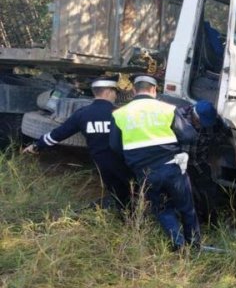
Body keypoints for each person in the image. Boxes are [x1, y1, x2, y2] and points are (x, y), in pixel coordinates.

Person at [110, 74, 200, 251]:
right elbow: (189, 135)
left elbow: (114, 146)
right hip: (172, 167)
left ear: (134, 91)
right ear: (154, 90)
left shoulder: (119, 114)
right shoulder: (167, 109)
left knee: (161, 208)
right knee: (186, 208)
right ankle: (195, 245)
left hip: (144, 172)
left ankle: (178, 244)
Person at [22, 75, 132, 209]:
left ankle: (123, 215)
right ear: (109, 92)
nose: (115, 96)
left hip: (101, 163)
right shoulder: (121, 113)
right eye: (115, 92)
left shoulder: (82, 114)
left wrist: (36, 146)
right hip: (125, 161)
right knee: (132, 192)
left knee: (118, 194)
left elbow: (58, 134)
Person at [178, 100, 236, 222]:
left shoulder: (215, 122)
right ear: (195, 116)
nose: (203, 125)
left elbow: (229, 135)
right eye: (201, 122)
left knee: (209, 192)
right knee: (187, 194)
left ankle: (213, 221)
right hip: (181, 164)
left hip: (200, 162)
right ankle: (192, 220)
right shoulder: (179, 117)